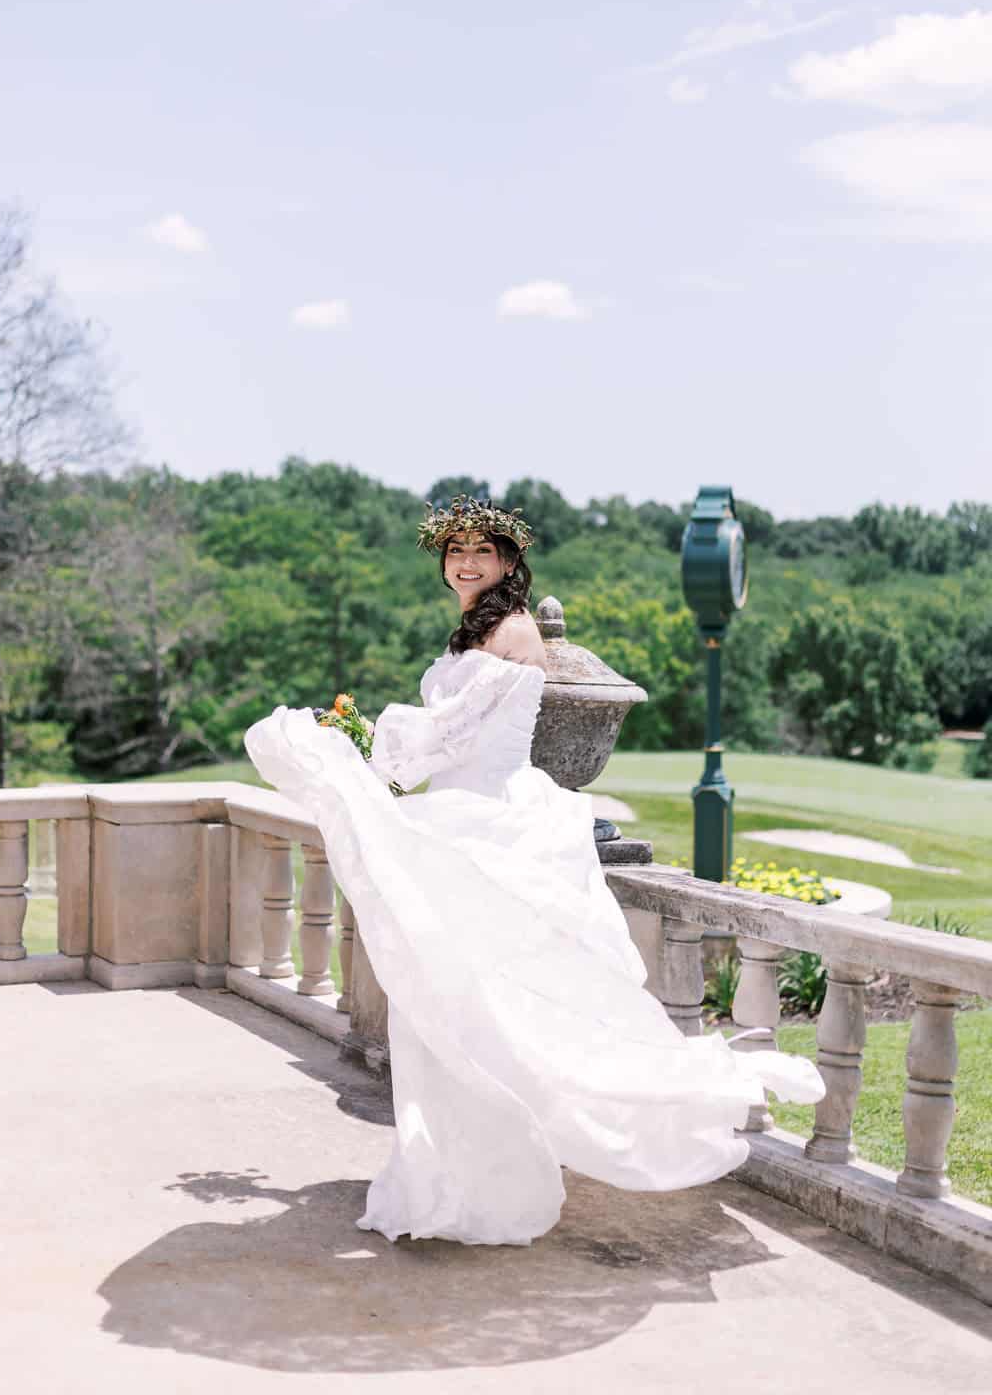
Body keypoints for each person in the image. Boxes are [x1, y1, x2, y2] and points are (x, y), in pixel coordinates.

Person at [244, 494, 824, 1247]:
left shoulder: (514, 629)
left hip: (491, 818)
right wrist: (374, 754)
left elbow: (453, 735)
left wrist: (363, 749)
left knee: (487, 1012)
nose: (467, 562)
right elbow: (440, 741)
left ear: (511, 562)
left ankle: (492, 1178)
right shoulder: (474, 629)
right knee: (450, 1009)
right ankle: (451, 1176)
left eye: (482, 552)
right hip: (458, 812)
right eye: (456, 551)